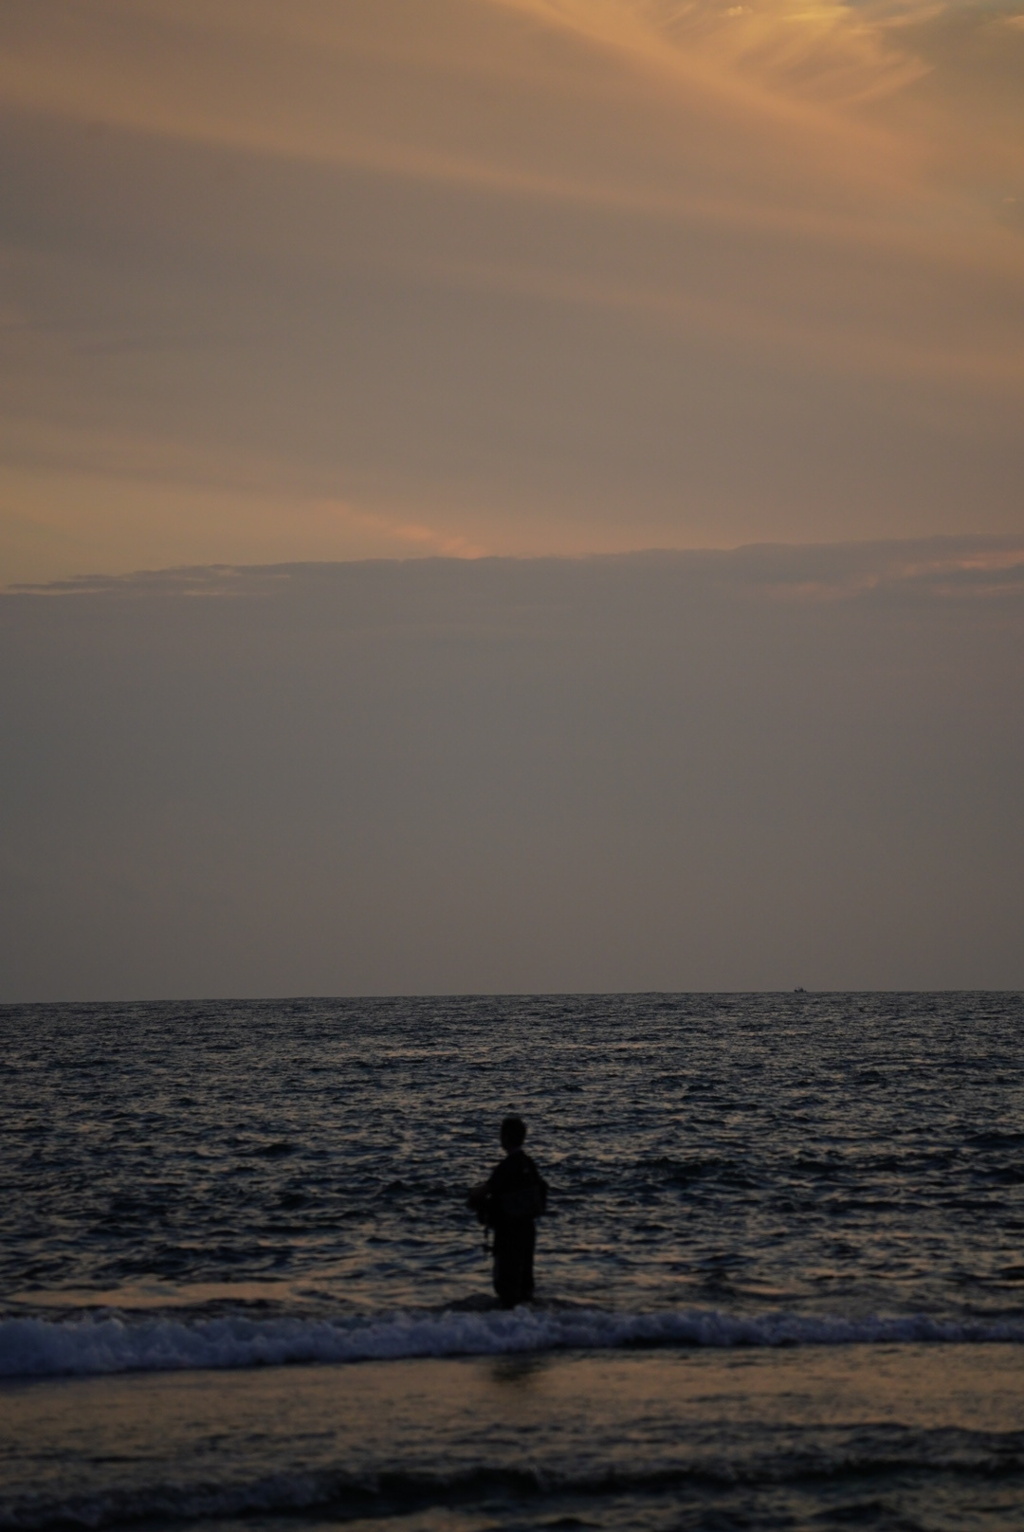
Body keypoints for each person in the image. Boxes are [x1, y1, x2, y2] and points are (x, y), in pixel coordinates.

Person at [467, 1115, 548, 1308]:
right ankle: (529, 1326)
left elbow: (488, 1189)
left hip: (508, 1232)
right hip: (527, 1229)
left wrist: (471, 1194)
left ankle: (509, 1325)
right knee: (525, 1282)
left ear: (504, 1138)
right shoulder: (529, 1164)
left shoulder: (506, 1167)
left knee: (506, 1283)